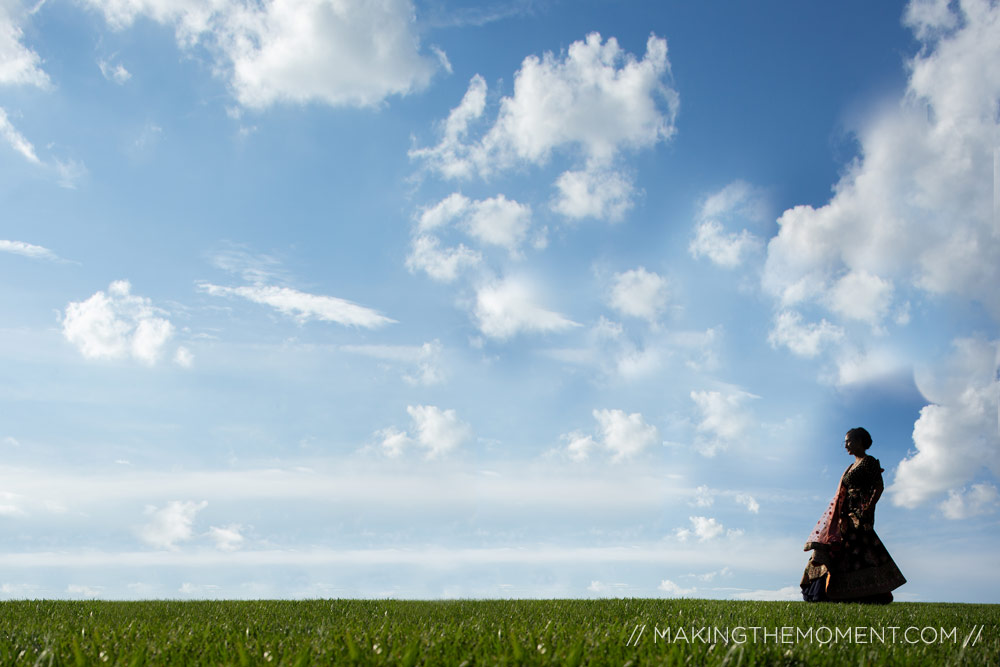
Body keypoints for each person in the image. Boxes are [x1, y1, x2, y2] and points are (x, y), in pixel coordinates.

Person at [800, 427, 906, 603]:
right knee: (840, 550)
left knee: (861, 550)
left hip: (859, 515)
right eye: (845, 441)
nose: (846, 445)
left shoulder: (869, 462)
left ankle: (871, 593)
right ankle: (833, 592)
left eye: (849, 441)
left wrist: (867, 508)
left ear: (860, 441)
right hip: (844, 515)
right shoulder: (850, 467)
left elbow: (878, 487)